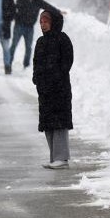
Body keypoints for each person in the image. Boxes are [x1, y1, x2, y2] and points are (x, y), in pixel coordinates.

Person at [33, 9, 73, 169]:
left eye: (46, 21)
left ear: (54, 22)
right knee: (48, 123)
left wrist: (55, 78)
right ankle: (54, 157)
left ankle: (62, 158)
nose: (43, 25)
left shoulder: (62, 39)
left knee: (59, 123)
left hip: (59, 88)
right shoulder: (40, 42)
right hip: (44, 90)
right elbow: (36, 62)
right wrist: (36, 78)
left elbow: (67, 62)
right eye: (41, 22)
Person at [11, 0, 62, 69]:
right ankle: (9, 62)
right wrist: (17, 19)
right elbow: (16, 8)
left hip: (30, 27)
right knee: (14, 45)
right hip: (19, 26)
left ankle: (26, 65)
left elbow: (47, 6)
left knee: (28, 47)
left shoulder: (37, 0)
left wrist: (57, 11)